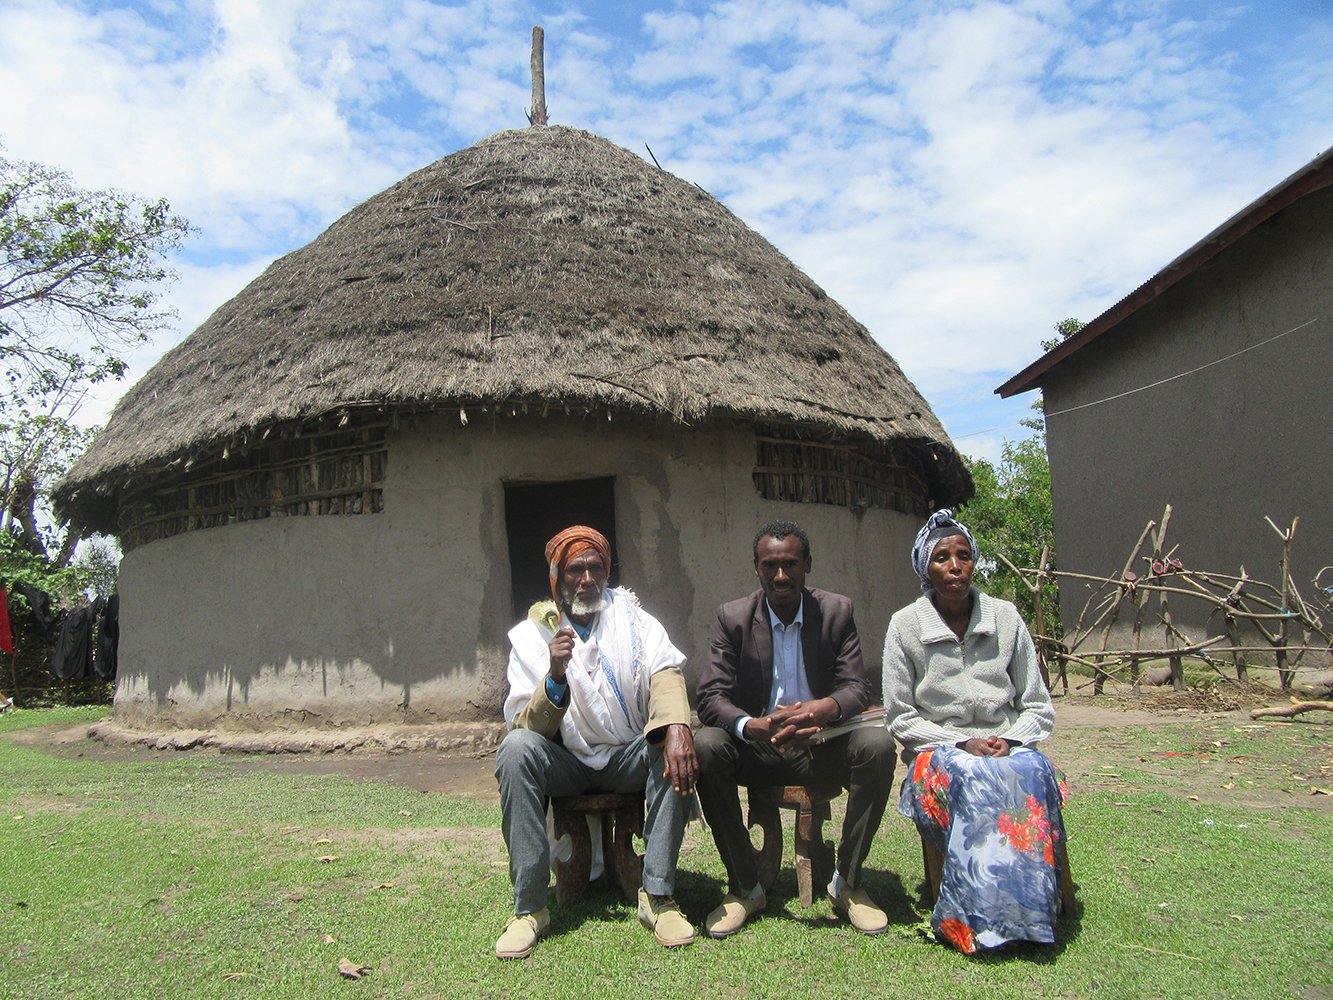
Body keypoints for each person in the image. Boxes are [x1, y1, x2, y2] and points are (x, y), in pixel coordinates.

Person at [494, 525, 698, 958]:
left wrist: (677, 725)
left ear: (607, 573)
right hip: (565, 763)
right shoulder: (532, 637)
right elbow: (526, 728)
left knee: (668, 742)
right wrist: (553, 676)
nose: (587, 580)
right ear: (557, 579)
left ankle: (657, 897)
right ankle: (530, 909)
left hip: (624, 756)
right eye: (575, 571)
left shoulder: (636, 621)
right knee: (514, 751)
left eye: (595, 568)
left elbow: (665, 673)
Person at [695, 520, 897, 937]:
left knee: (877, 744)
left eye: (790, 564)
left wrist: (824, 709)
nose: (781, 576)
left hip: (821, 749)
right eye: (770, 566)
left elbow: (858, 687)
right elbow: (712, 695)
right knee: (708, 745)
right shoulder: (732, 618)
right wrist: (752, 726)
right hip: (760, 751)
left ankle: (848, 883)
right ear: (756, 568)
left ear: (807, 564)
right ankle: (745, 887)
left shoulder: (836, 612)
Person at [882, 509, 1069, 954]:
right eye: (941, 558)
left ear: (974, 561)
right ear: (925, 567)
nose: (954, 567)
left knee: (1031, 771)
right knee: (972, 776)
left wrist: (1014, 739)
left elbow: (1038, 704)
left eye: (963, 556)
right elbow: (900, 716)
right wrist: (960, 742)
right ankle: (971, 919)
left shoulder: (1004, 617)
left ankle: (1033, 910)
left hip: (1006, 741)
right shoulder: (905, 625)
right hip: (939, 750)